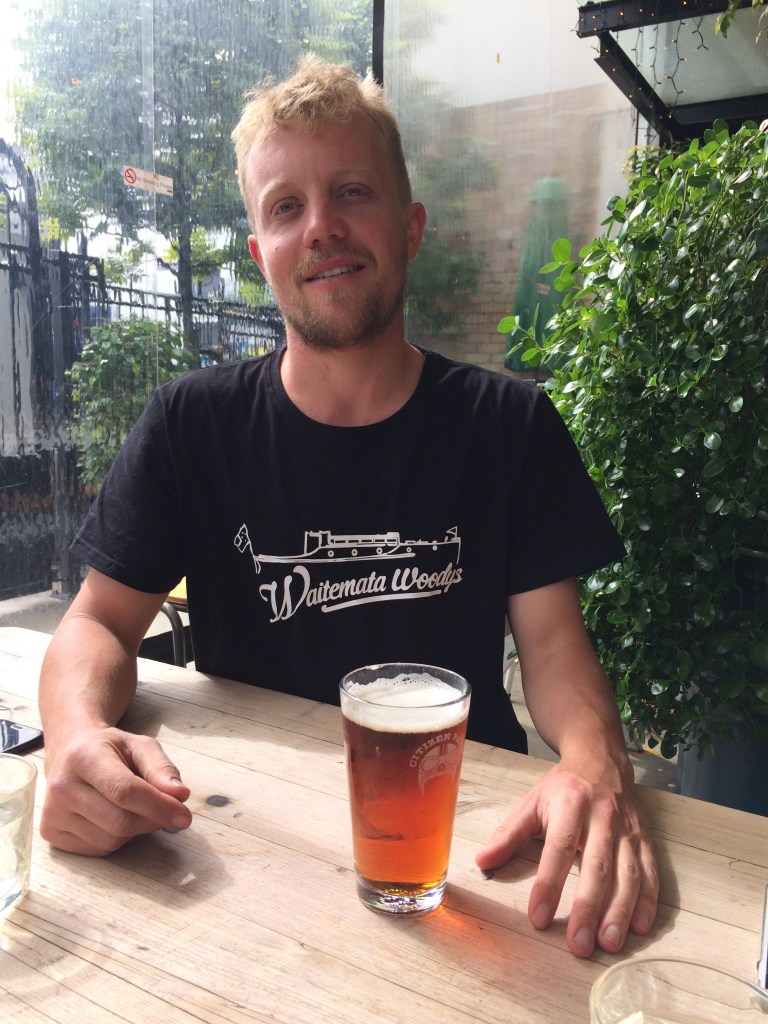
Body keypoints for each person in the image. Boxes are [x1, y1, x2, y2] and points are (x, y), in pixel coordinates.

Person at [38, 54, 658, 958]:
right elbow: (97, 621)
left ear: (410, 227)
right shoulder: (189, 424)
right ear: (261, 255)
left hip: (471, 850)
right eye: (286, 206)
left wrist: (597, 763)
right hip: (233, 852)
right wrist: (76, 735)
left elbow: (556, 649)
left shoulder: (510, 425)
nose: (321, 226)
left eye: (352, 192)